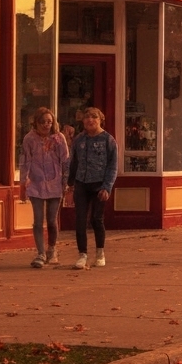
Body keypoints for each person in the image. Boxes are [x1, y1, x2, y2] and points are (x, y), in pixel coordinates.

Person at [67, 107, 116, 270]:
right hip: (81, 183)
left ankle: (100, 252)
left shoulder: (108, 140)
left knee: (96, 219)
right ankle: (82, 255)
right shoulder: (79, 140)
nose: (90, 120)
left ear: (100, 119)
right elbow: (73, 162)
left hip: (99, 184)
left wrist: (107, 187)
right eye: (87, 117)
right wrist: (70, 183)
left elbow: (112, 166)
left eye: (94, 117)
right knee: (80, 220)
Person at [20, 107, 69, 269]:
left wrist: (65, 182)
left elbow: (65, 160)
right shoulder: (29, 139)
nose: (46, 125)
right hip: (36, 183)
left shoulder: (58, 138)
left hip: (55, 183)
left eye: (49, 122)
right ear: (36, 123)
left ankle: (52, 249)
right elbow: (25, 160)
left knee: (52, 220)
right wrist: (23, 182)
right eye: (42, 122)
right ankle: (40, 253)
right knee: (38, 220)